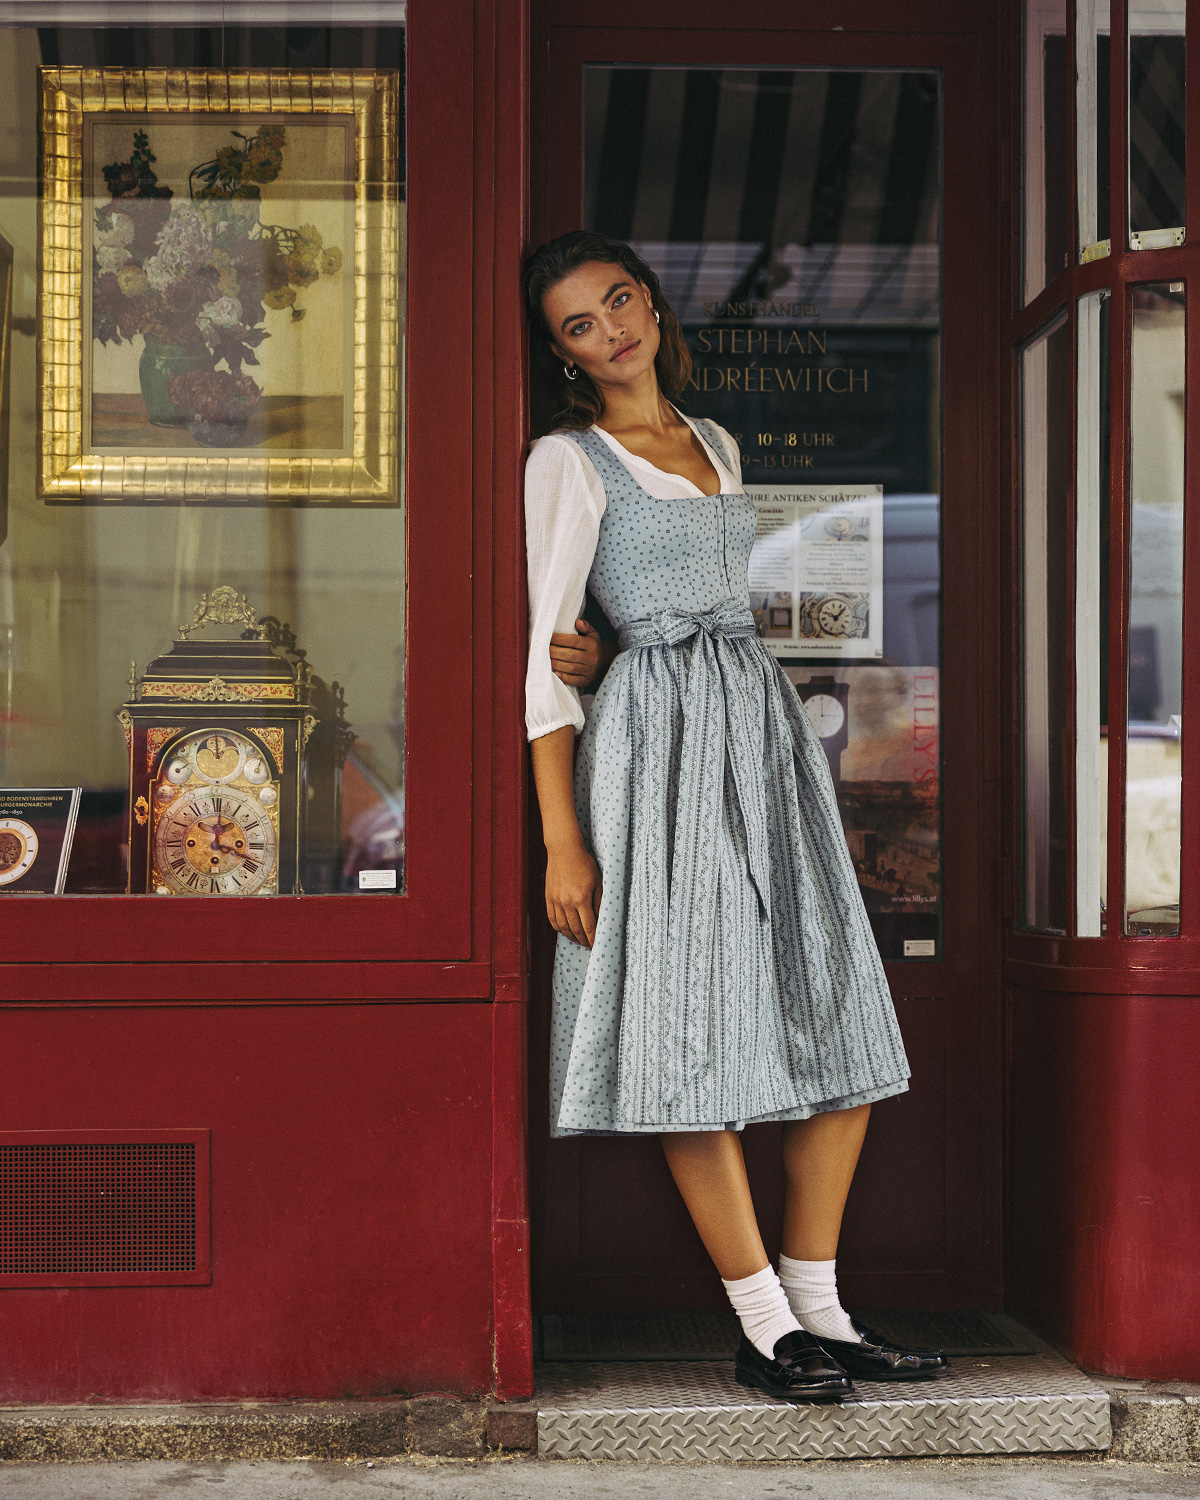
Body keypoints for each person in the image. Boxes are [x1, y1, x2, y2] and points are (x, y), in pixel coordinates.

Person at [523, 230, 947, 1400]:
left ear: (651, 303)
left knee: (839, 1016)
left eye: (619, 301)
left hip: (757, 733)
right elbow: (542, 660)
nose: (612, 330)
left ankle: (824, 1305)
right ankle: (766, 1324)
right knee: (687, 1035)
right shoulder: (567, 460)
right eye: (580, 323)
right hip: (653, 750)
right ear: (562, 353)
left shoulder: (716, 440)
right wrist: (565, 837)